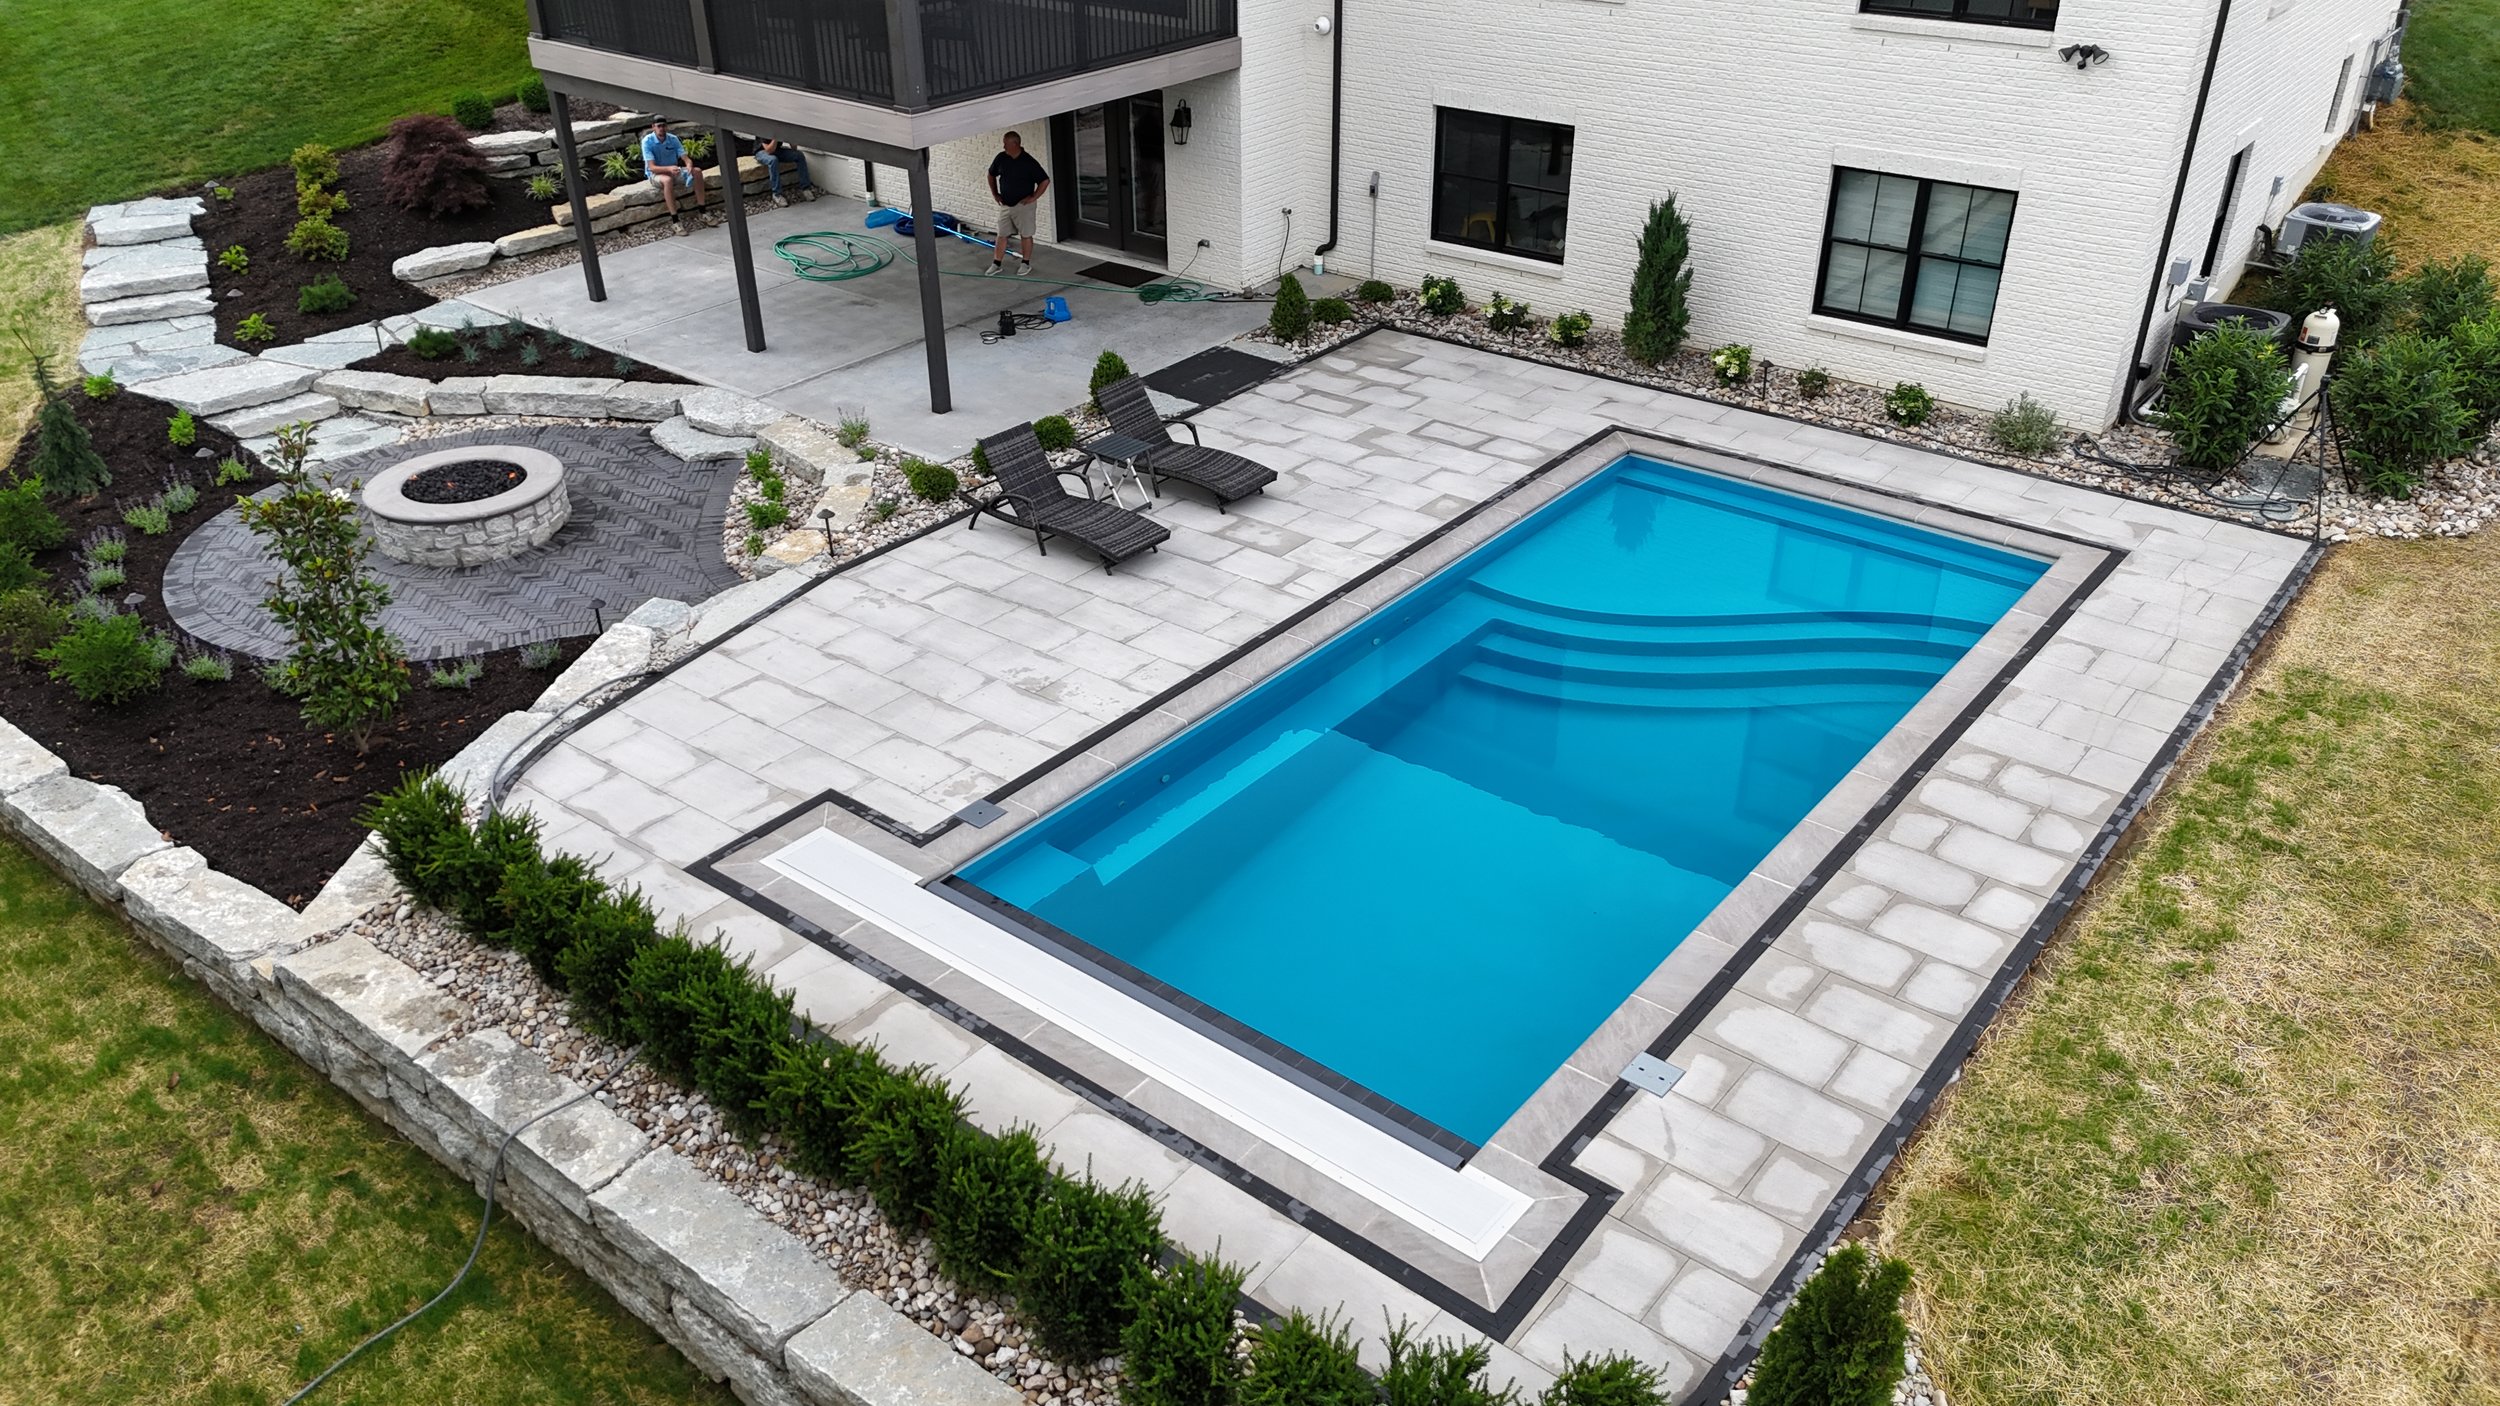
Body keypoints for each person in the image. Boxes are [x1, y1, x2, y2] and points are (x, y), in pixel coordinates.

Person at [985, 131, 1049, 276]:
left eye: (1006, 143)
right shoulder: (1001, 158)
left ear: (1015, 144)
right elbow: (991, 174)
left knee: (1026, 234)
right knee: (1002, 234)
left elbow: (1044, 180)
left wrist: (1034, 197)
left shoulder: (1028, 162)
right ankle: (996, 264)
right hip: (1006, 204)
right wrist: (995, 194)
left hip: (1024, 205)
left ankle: (1025, 264)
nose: (1003, 146)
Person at [640, 118, 708, 231]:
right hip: (656, 174)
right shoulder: (647, 141)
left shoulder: (673, 139)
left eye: (664, 126)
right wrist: (668, 169)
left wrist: (689, 166)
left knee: (697, 172)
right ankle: (675, 220)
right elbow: (652, 167)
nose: (662, 128)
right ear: (653, 127)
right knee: (667, 180)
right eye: (659, 126)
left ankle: (703, 212)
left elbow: (686, 159)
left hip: (674, 171)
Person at [755, 137, 813, 207]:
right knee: (773, 160)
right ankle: (777, 194)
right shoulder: (764, 129)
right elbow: (769, 151)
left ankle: (805, 188)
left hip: (777, 149)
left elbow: (794, 148)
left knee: (799, 155)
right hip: (762, 151)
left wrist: (791, 138)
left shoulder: (782, 128)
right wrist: (776, 138)